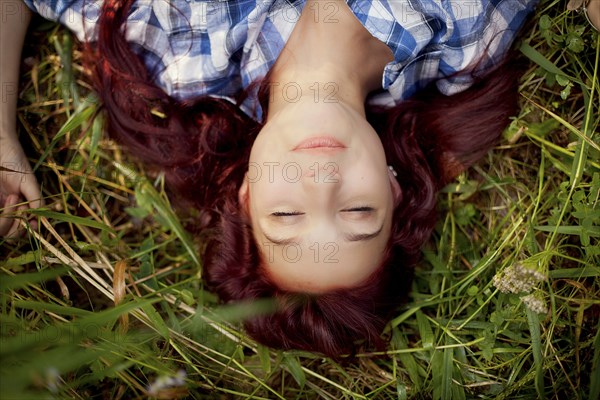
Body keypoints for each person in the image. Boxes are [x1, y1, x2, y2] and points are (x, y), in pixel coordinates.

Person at [1, 0, 538, 357]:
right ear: (394, 188)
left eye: (286, 215)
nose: (321, 180)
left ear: (247, 195)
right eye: (357, 212)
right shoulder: (465, 36)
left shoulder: (179, 53)